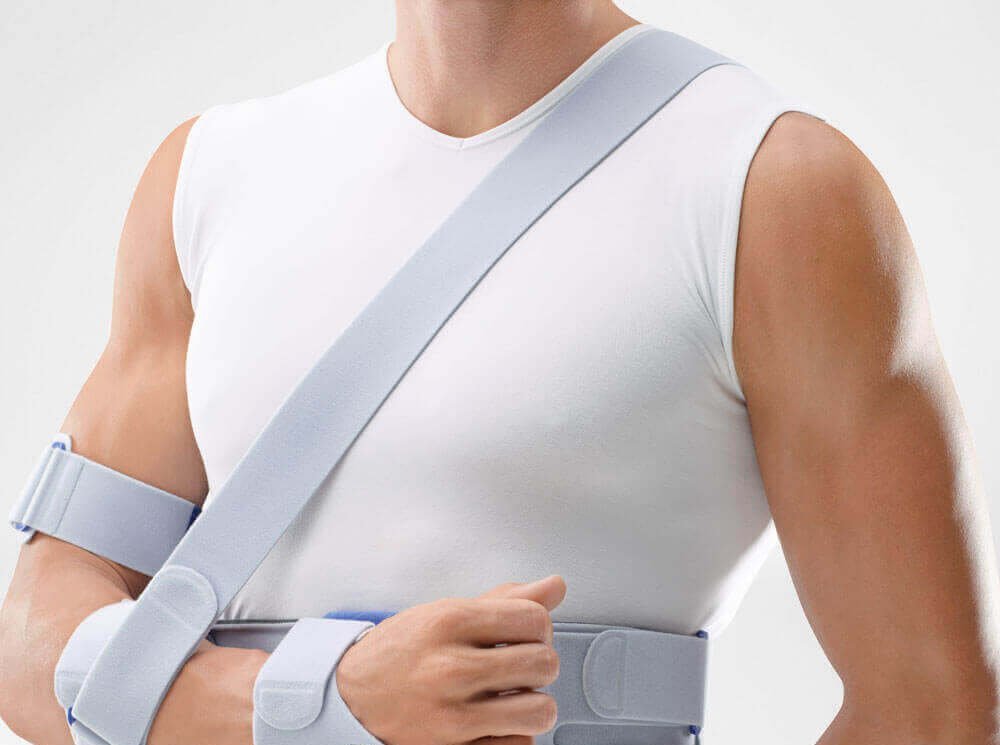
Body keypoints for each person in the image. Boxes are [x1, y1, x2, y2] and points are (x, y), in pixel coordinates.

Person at [1, 2, 998, 744]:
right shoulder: (209, 177)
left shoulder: (770, 189)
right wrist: (322, 700)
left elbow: (934, 712)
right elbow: (30, 641)